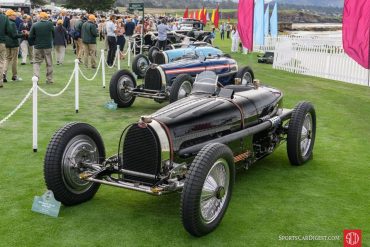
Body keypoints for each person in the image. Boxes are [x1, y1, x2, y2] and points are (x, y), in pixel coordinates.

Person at [29, 12, 54, 84]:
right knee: (49, 63)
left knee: (36, 62)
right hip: (47, 46)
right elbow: (53, 34)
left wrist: (34, 42)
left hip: (37, 46)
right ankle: (49, 79)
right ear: (46, 17)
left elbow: (30, 36)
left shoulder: (35, 25)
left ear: (40, 17)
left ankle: (36, 78)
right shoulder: (50, 24)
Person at [3, 9, 24, 82]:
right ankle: (14, 76)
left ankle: (3, 73)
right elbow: (14, 35)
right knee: (14, 60)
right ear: (9, 16)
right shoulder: (12, 24)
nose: (15, 16)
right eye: (13, 15)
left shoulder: (4, 22)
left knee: (7, 58)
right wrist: (23, 35)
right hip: (14, 43)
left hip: (6, 43)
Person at [0, 9, 11, 88]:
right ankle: (0, 82)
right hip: (1, 42)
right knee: (1, 62)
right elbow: (9, 30)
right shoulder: (4, 17)